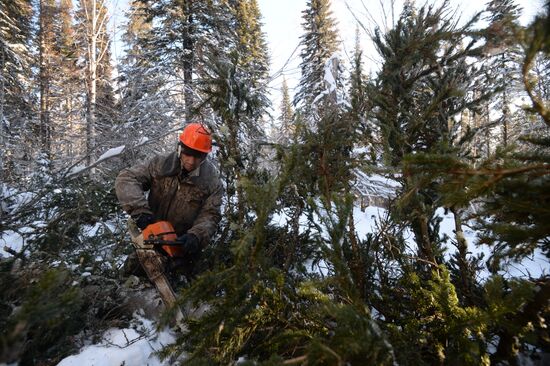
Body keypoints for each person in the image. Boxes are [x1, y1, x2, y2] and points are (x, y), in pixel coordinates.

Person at [115, 123, 223, 280]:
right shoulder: (160, 165)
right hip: (151, 236)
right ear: (180, 148)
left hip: (181, 247)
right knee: (128, 278)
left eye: (198, 156)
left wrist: (196, 236)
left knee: (181, 288)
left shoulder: (211, 181)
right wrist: (140, 212)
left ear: (205, 156)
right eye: (188, 153)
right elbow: (126, 179)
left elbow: (210, 215)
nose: (192, 161)